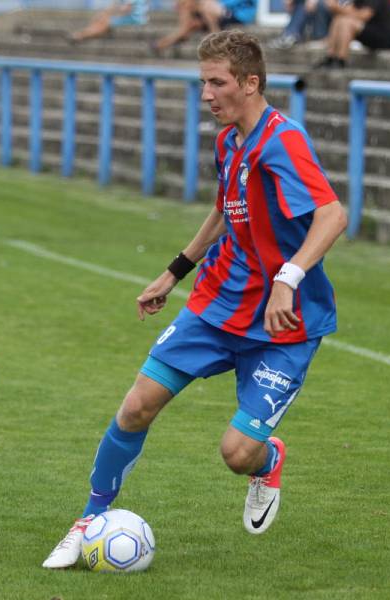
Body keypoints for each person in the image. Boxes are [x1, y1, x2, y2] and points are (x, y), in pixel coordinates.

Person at [43, 29, 347, 569]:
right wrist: (174, 271)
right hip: (218, 303)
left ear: (251, 83)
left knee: (237, 454)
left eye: (216, 82)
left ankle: (265, 457)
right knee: (136, 405)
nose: (206, 94)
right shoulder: (229, 138)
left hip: (285, 323)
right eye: (202, 82)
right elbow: (224, 207)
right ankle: (89, 517)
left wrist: (288, 277)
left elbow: (333, 214)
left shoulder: (283, 141)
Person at [315, 0, 390, 68]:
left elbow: (364, 15)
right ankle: (331, 57)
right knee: (339, 19)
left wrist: (337, 8)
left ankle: (341, 60)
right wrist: (337, 8)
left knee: (346, 22)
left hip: (384, 37)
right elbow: (349, 10)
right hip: (368, 32)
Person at [155, 0, 257, 51]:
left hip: (238, 13)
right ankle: (182, 33)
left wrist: (217, 5)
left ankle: (215, 35)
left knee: (205, 5)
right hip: (217, 12)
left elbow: (243, 4)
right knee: (186, 4)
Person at [67, 0, 149, 43]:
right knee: (102, 19)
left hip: (136, 19)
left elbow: (126, 9)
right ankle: (81, 35)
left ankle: (80, 35)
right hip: (129, 17)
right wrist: (102, 14)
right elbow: (113, 7)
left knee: (105, 22)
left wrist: (109, 14)